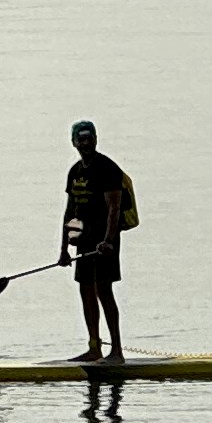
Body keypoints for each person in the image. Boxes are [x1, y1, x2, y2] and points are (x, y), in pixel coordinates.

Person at [60, 118, 136, 367]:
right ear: (73, 142)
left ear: (95, 139)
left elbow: (114, 208)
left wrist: (108, 241)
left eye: (89, 137)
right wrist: (65, 248)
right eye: (81, 139)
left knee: (104, 291)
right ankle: (94, 347)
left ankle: (116, 351)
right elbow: (71, 211)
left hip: (105, 242)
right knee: (85, 290)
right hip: (84, 241)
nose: (86, 142)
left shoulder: (107, 168)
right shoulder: (75, 171)